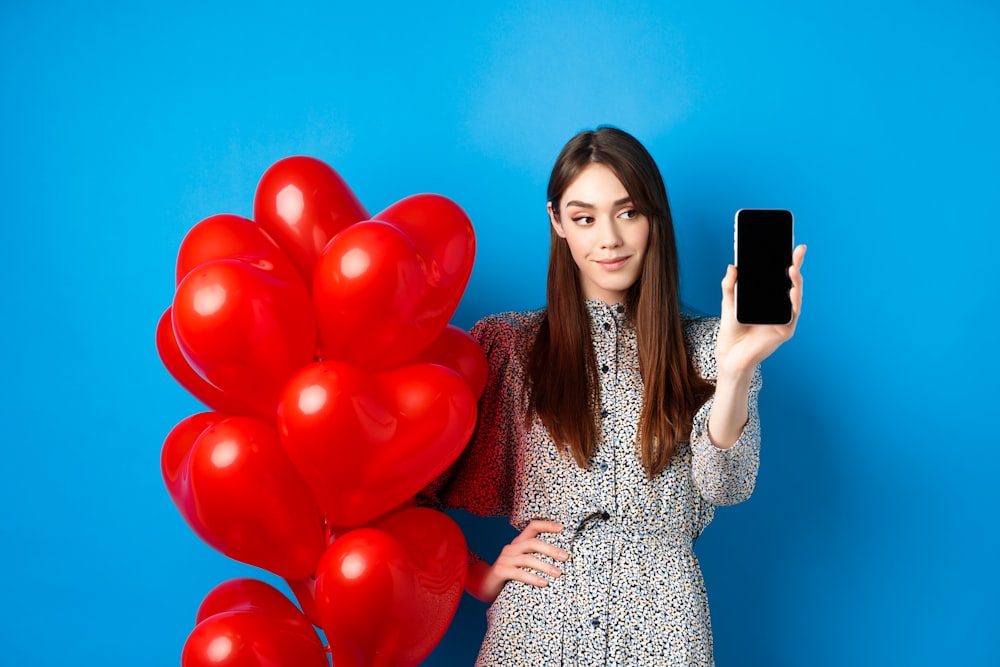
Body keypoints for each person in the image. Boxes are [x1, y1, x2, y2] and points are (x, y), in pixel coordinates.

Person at [421, 126, 806, 666]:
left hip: (664, 634)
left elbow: (727, 484)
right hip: (535, 634)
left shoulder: (709, 347)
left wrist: (737, 369)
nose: (609, 238)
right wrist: (477, 576)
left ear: (654, 218)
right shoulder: (507, 347)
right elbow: (410, 488)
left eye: (628, 213)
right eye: (584, 217)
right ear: (557, 222)